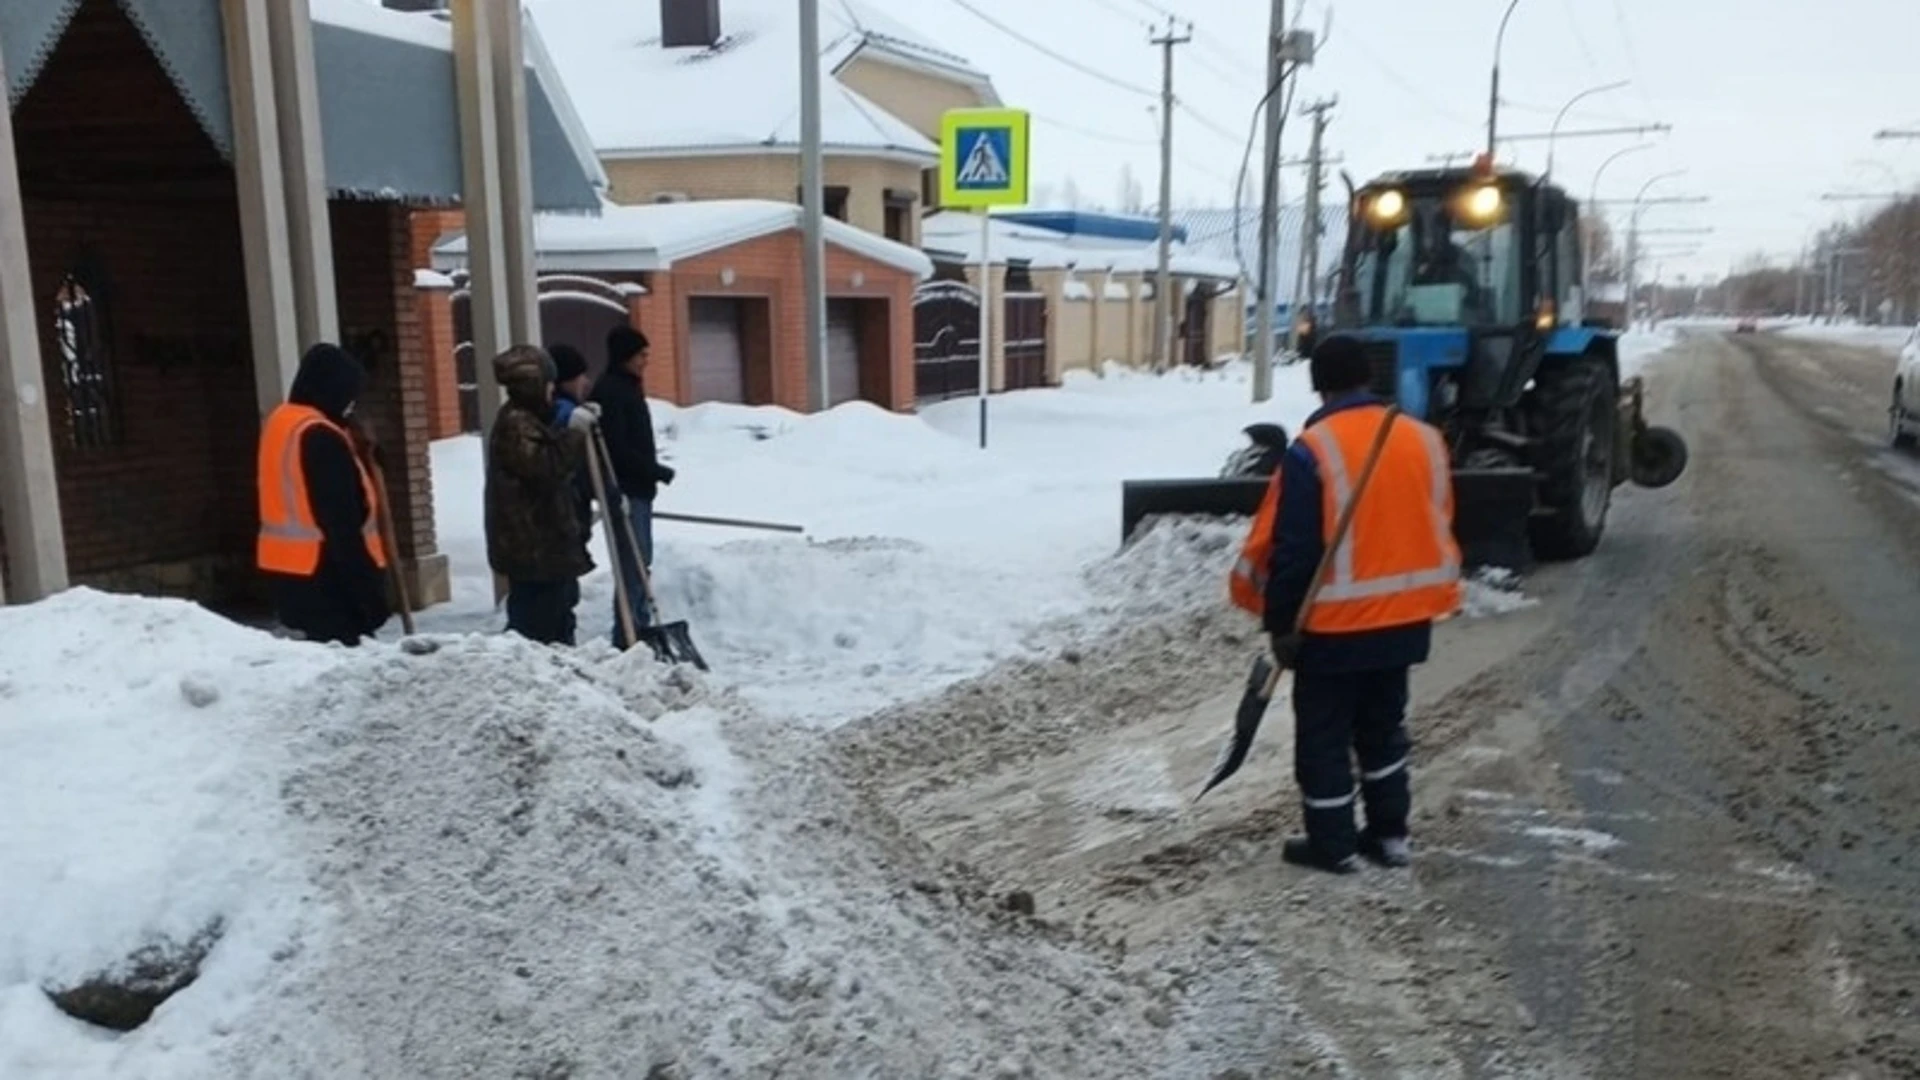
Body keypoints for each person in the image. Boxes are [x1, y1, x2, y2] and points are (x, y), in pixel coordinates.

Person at [1233, 334, 1462, 874]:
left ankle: (1332, 845)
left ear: (1319, 385)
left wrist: (1282, 624)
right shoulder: (1426, 440)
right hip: (1406, 620)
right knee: (1384, 728)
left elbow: (1297, 549)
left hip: (1335, 626)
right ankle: (1391, 837)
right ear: (1369, 378)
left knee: (1325, 737)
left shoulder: (1313, 451)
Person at [256, 343, 392, 646]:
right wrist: (369, 598)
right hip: (327, 579)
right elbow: (342, 524)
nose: (351, 405)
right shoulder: (321, 437)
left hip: (289, 574)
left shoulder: (283, 422)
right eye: (348, 396)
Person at [485, 344, 598, 646]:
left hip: (545, 548)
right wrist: (573, 432)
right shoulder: (516, 424)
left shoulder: (531, 419)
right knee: (537, 628)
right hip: (531, 547)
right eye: (548, 382)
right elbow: (546, 467)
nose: (553, 388)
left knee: (558, 616)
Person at [590, 325, 676, 644]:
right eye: (641, 355)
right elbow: (618, 448)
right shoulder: (612, 391)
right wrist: (654, 470)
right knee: (634, 563)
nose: (645, 361)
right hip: (626, 490)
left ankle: (635, 625)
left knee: (641, 561)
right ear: (625, 356)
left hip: (638, 489)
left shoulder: (627, 386)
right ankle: (628, 632)